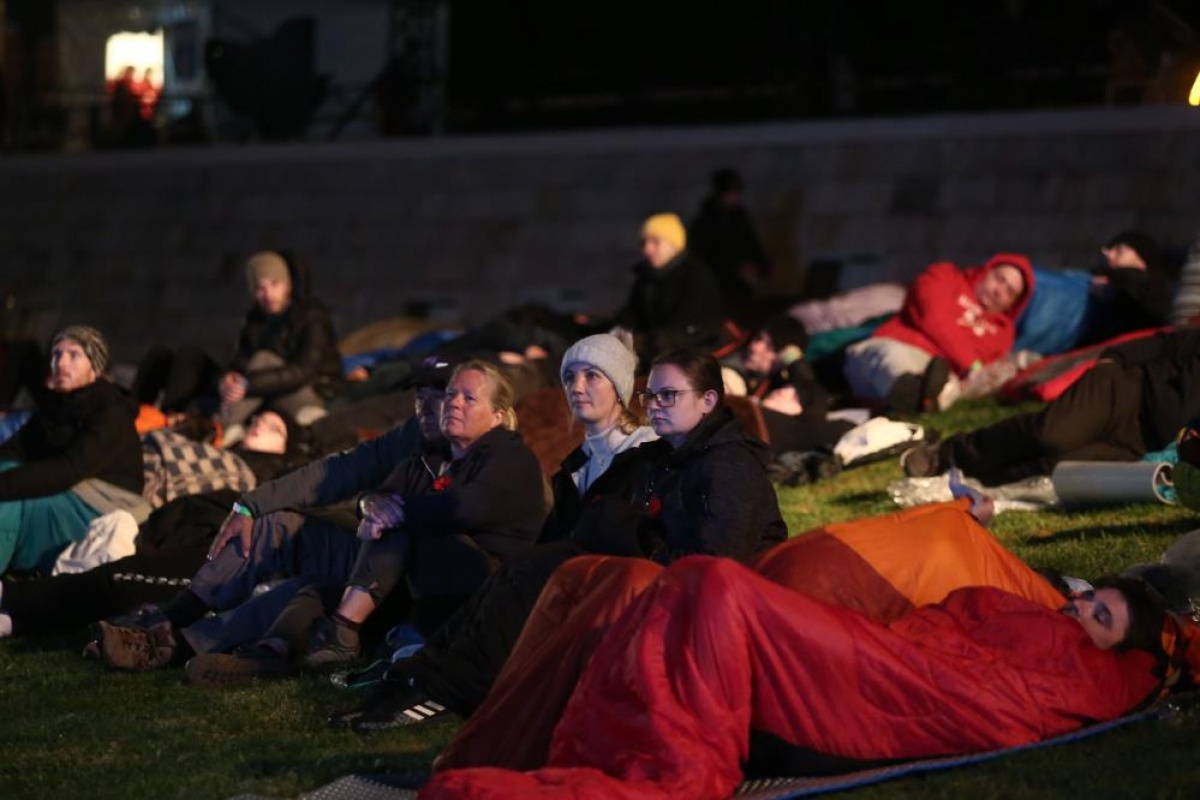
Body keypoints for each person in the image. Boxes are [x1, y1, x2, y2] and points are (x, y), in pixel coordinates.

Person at [421, 503, 1168, 799]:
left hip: (889, 681)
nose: (1077, 611)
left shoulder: (1096, 672)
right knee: (675, 589)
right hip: (885, 651)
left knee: (710, 587)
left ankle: (653, 769)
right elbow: (948, 623)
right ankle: (554, 751)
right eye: (1085, 598)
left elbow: (1007, 686)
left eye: (1098, 616)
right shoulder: (1016, 602)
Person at [330, 347, 786, 731]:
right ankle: (422, 676)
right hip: (658, 579)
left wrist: (637, 542)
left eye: (669, 395)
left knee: (540, 576)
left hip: (705, 605)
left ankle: (445, 688)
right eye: (652, 396)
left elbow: (715, 564)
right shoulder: (667, 457)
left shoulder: (727, 468)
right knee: (530, 570)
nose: (656, 405)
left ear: (708, 401)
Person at [93, 361, 546, 676]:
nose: (435, 407)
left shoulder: (505, 457)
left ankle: (238, 649)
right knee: (270, 524)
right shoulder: (416, 446)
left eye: (450, 396)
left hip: (436, 588)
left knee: (308, 590)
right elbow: (338, 473)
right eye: (425, 397)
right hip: (385, 570)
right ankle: (174, 628)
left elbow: (474, 513)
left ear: (497, 413)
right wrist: (251, 503)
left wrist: (391, 512)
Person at [0, 411, 301, 639]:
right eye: (258, 419)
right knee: (127, 579)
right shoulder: (233, 461)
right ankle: (15, 611)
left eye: (274, 428)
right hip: (183, 526)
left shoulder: (259, 474)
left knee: (127, 580)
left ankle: (14, 610)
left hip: (239, 546)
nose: (260, 425)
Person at [902, 327, 1200, 485]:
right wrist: (1115, 358)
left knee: (1057, 469)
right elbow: (1166, 343)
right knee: (1053, 434)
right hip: (1126, 390)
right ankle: (945, 456)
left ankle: (965, 484)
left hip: (1145, 442)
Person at [0, 326, 144, 574]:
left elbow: (70, 468)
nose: (61, 362)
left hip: (101, 502)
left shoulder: (111, 411)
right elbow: (16, 449)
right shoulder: (57, 405)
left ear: (94, 368)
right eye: (56, 354)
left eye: (74, 355)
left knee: (12, 502)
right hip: (66, 487)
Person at [843, 254, 1034, 413]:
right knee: (893, 359)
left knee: (949, 386)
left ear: (1013, 304)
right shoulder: (944, 276)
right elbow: (933, 317)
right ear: (986, 271)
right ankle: (913, 395)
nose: (999, 291)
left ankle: (916, 399)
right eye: (999, 279)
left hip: (943, 374)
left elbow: (983, 376)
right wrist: (972, 364)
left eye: (1010, 292)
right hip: (900, 346)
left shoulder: (1003, 333)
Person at [217, 250, 343, 441]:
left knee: (263, 360)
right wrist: (231, 376)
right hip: (273, 390)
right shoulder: (256, 319)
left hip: (314, 392)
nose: (267, 294)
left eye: (274, 284)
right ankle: (225, 428)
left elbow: (304, 370)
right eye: (259, 288)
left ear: (288, 284)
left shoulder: (312, 316)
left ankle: (221, 430)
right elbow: (243, 357)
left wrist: (249, 384)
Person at [612, 214, 727, 366]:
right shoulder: (648, 278)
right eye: (644, 243)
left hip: (689, 359)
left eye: (655, 242)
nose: (647, 249)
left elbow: (690, 328)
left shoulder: (697, 277)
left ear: (674, 245)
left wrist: (646, 343)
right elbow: (631, 315)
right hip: (656, 351)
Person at [735, 315, 854, 455]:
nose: (754, 347)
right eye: (757, 339)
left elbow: (812, 398)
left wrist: (794, 362)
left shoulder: (784, 386)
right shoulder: (735, 369)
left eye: (769, 346)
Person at [1078, 229, 1174, 347]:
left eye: (1119, 251)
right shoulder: (1103, 278)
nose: (1110, 255)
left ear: (1142, 257)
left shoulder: (1148, 287)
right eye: (1108, 250)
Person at [687, 168, 771, 303]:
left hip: (740, 290)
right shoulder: (705, 223)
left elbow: (753, 246)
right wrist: (734, 270)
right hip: (717, 291)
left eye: (736, 192)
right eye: (730, 192)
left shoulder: (740, 219)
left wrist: (758, 268)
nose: (734, 196)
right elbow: (701, 258)